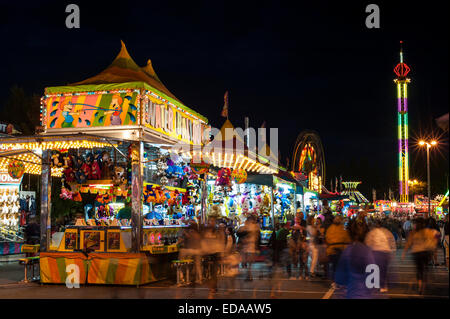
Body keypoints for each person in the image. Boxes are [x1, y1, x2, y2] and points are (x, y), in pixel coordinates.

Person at [335, 218, 376, 299]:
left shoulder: (348, 251)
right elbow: (373, 279)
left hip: (352, 294)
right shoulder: (368, 251)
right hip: (366, 295)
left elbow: (339, 278)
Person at [402, 217, 439, 294]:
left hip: (416, 253)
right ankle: (424, 284)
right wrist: (434, 250)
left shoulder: (413, 232)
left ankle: (420, 286)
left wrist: (404, 253)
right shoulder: (428, 231)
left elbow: (408, 243)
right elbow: (435, 238)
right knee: (425, 269)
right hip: (425, 252)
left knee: (419, 270)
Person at [365, 219, 396, 292]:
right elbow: (392, 240)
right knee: (383, 269)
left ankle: (379, 285)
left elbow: (368, 243)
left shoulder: (372, 232)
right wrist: (393, 251)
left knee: (377, 269)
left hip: (377, 252)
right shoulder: (386, 231)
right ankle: (383, 286)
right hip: (386, 252)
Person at [201, 216, 225, 298]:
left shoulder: (217, 232)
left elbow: (221, 242)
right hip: (208, 253)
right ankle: (212, 285)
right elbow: (203, 242)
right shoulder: (206, 232)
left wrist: (221, 253)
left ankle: (213, 287)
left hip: (215, 253)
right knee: (207, 271)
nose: (211, 223)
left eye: (212, 221)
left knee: (213, 271)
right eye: (210, 221)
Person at [325, 215, 351, 287]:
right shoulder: (340, 228)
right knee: (336, 267)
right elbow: (347, 239)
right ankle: (336, 281)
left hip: (336, 250)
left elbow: (346, 239)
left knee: (336, 267)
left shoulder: (340, 228)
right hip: (334, 250)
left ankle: (337, 281)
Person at [178, 219, 202, 283]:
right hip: (198, 251)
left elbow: (180, 241)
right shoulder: (198, 233)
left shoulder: (189, 232)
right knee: (197, 265)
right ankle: (199, 279)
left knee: (181, 256)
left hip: (190, 251)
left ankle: (181, 276)